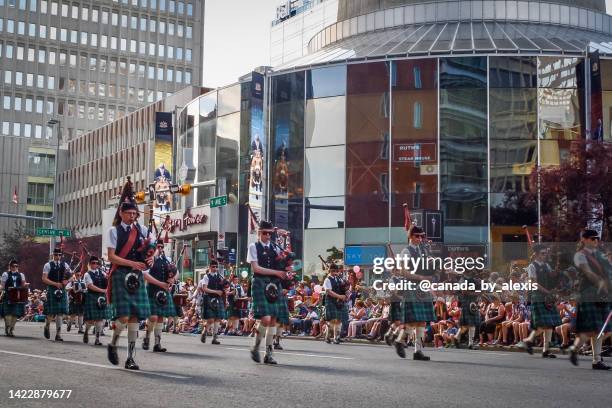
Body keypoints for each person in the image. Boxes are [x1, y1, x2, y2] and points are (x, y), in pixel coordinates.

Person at [106, 179, 153, 370]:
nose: (132, 216)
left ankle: (131, 358)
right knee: (124, 317)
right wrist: (133, 263)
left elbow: (153, 248)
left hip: (136, 276)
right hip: (120, 274)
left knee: (135, 318)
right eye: (129, 213)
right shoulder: (113, 231)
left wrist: (150, 259)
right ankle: (113, 343)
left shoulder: (142, 230)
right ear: (121, 213)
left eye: (135, 213)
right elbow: (111, 257)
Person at [246, 220, 287, 364]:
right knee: (266, 319)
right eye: (265, 233)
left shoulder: (276, 248)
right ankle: (256, 347)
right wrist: (277, 272)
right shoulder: (253, 246)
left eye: (270, 233)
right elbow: (256, 268)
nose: (268, 236)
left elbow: (285, 262)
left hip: (274, 283)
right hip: (259, 282)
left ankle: (268, 354)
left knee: (274, 320)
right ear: (259, 233)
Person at [569, 229, 611, 370]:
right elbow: (587, 272)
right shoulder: (580, 255)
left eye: (597, 239)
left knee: (600, 330)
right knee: (592, 330)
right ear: (584, 240)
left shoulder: (600, 256)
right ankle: (576, 348)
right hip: (588, 294)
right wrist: (600, 282)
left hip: (601, 294)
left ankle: (596, 360)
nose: (596, 241)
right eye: (593, 239)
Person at [396, 226, 435, 361]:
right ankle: (400, 340)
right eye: (417, 236)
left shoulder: (423, 250)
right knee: (413, 321)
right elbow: (403, 272)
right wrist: (420, 277)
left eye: (421, 236)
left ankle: (417, 351)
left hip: (423, 287)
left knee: (422, 322)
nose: (420, 239)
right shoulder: (406, 251)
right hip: (412, 286)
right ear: (410, 237)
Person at [520, 244, 561, 358]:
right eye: (543, 253)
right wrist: (548, 292)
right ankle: (528, 340)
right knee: (544, 324)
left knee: (550, 324)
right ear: (537, 254)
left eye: (545, 253)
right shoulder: (532, 267)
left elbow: (552, 275)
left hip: (547, 297)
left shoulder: (547, 265)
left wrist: (558, 266)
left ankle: (546, 350)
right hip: (538, 296)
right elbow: (534, 283)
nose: (545, 255)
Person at [143, 241, 176, 353]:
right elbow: (145, 275)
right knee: (153, 317)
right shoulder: (149, 259)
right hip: (152, 290)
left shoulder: (167, 260)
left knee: (161, 317)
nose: (161, 248)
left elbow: (176, 272)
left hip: (163, 291)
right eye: (158, 246)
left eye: (162, 246)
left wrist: (172, 279)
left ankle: (157, 343)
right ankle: (147, 336)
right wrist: (160, 284)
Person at [41, 248, 72, 341]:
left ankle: (58, 334)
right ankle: (47, 325)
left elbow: (71, 276)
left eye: (59, 255)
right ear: (53, 255)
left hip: (62, 289)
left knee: (60, 313)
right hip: (52, 289)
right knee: (51, 312)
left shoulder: (65, 265)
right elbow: (44, 279)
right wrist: (55, 284)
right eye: (56, 255)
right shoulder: (48, 265)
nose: (58, 257)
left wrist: (67, 281)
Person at [82, 256, 109, 346]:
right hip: (92, 296)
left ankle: (97, 339)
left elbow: (109, 280)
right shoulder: (87, 274)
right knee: (90, 320)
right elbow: (90, 286)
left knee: (100, 319)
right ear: (89, 264)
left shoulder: (103, 273)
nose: (95, 264)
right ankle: (86, 331)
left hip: (102, 297)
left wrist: (109, 277)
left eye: (97, 263)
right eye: (93, 263)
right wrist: (103, 291)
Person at [200, 260, 226, 345]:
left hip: (218, 299)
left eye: (216, 267)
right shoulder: (206, 277)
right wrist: (216, 292)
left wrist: (226, 286)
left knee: (218, 318)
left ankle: (215, 338)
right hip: (209, 298)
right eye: (213, 267)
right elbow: (204, 288)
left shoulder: (220, 276)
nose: (215, 268)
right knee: (211, 319)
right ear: (210, 267)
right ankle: (205, 331)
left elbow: (224, 287)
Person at [0, 259, 29, 336]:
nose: (15, 267)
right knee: (8, 314)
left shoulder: (21, 275)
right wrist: (1, 289)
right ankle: (8, 327)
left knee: (15, 314)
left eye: (16, 266)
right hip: (8, 295)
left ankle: (11, 329)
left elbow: (23, 285)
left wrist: (25, 285)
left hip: (17, 296)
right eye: (13, 266)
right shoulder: (5, 274)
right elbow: (2, 285)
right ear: (10, 266)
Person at [323, 263, 349, 344]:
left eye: (336, 270)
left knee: (339, 320)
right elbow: (328, 291)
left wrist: (346, 293)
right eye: (333, 270)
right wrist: (340, 296)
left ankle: (336, 337)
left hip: (339, 301)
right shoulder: (327, 279)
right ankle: (328, 336)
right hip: (331, 300)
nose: (334, 272)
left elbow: (343, 287)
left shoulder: (339, 279)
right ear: (329, 270)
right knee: (332, 320)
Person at [455, 271, 481, 350]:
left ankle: (456, 337)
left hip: (471, 303)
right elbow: (464, 291)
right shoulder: (463, 280)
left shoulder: (470, 279)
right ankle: (470, 344)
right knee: (472, 324)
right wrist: (475, 293)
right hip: (468, 303)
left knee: (467, 325)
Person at [66, 269, 87, 334]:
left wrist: (85, 290)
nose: (79, 276)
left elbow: (87, 289)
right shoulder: (72, 282)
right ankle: (69, 324)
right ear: (75, 275)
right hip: (74, 300)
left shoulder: (84, 282)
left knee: (81, 314)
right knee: (73, 315)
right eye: (77, 275)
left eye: (80, 275)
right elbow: (66, 288)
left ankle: (80, 329)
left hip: (82, 300)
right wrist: (72, 288)